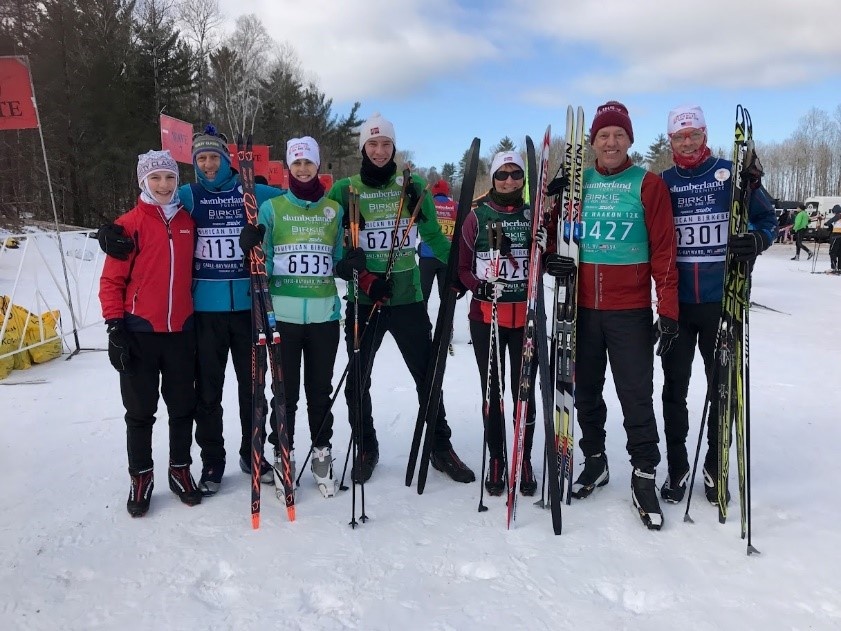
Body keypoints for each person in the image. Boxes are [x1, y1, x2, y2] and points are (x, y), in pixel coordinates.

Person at [98, 125, 284, 496]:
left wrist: (265, 228)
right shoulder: (187, 196)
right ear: (194, 163)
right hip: (204, 313)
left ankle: (254, 453)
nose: (210, 164)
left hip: (248, 308)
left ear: (227, 159)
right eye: (202, 158)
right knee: (207, 394)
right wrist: (108, 230)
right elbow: (150, 206)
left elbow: (292, 201)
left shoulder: (252, 191)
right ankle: (212, 461)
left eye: (215, 157)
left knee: (252, 389)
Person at [547, 101, 678, 530]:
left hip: (629, 311)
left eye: (618, 135)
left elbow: (663, 251)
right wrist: (554, 251)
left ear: (629, 141)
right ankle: (596, 460)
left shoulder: (648, 184)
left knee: (635, 395)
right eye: (603, 135)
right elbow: (556, 239)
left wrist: (669, 309)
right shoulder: (577, 184)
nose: (611, 142)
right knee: (584, 391)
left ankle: (643, 473)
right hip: (580, 308)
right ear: (591, 142)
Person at [328, 112, 475, 484]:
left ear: (394, 147)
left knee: (427, 375)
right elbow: (327, 245)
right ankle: (366, 445)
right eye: (372, 144)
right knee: (357, 379)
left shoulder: (413, 186)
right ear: (363, 147)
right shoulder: (345, 190)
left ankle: (440, 446)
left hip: (407, 297)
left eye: (386, 144)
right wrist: (350, 269)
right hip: (365, 300)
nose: (379, 151)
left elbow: (435, 237)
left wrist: (460, 271)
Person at [658, 105, 777, 507]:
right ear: (671, 140)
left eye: (693, 134)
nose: (687, 141)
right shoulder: (664, 182)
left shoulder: (730, 175)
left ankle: (714, 464)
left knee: (722, 389)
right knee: (674, 390)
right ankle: (677, 467)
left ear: (705, 135)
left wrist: (756, 242)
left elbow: (767, 219)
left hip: (721, 303)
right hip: (676, 306)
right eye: (679, 136)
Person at [238, 136, 344, 497]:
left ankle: (322, 456)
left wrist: (350, 263)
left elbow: (339, 256)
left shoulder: (334, 210)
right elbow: (260, 264)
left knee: (320, 391)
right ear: (288, 168)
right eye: (296, 163)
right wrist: (249, 247)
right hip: (281, 318)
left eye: (308, 162)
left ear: (318, 166)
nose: (302, 168)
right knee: (285, 394)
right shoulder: (273, 209)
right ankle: (285, 456)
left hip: (325, 316)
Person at [99, 150, 201, 517]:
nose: (163, 185)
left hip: (181, 332)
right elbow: (111, 281)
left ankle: (180, 468)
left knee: (182, 407)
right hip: (140, 331)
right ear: (143, 181)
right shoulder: (127, 225)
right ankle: (141, 475)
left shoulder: (189, 221)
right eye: (155, 178)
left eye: (169, 178)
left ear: (178, 181)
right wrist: (115, 327)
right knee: (140, 411)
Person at [457, 151, 541, 497]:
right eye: (502, 174)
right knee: (493, 392)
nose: (509, 180)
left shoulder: (532, 215)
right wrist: (480, 286)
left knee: (525, 394)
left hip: (525, 319)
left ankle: (523, 457)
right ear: (492, 178)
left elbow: (546, 265)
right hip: (486, 317)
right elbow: (462, 269)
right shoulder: (476, 218)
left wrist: (545, 250)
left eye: (515, 174)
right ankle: (496, 457)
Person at [419, 179, 457, 304]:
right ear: (447, 191)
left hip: (427, 256)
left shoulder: (429, 204)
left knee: (422, 296)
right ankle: (447, 323)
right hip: (447, 256)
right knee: (446, 297)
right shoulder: (455, 206)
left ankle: (422, 323)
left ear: (433, 192)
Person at [825, 205, 841, 273]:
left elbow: (829, 221)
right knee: (839, 252)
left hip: (837, 236)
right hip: (838, 236)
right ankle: (839, 268)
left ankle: (833, 267)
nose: (834, 213)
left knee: (832, 252)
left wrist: (826, 223)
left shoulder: (838, 215)